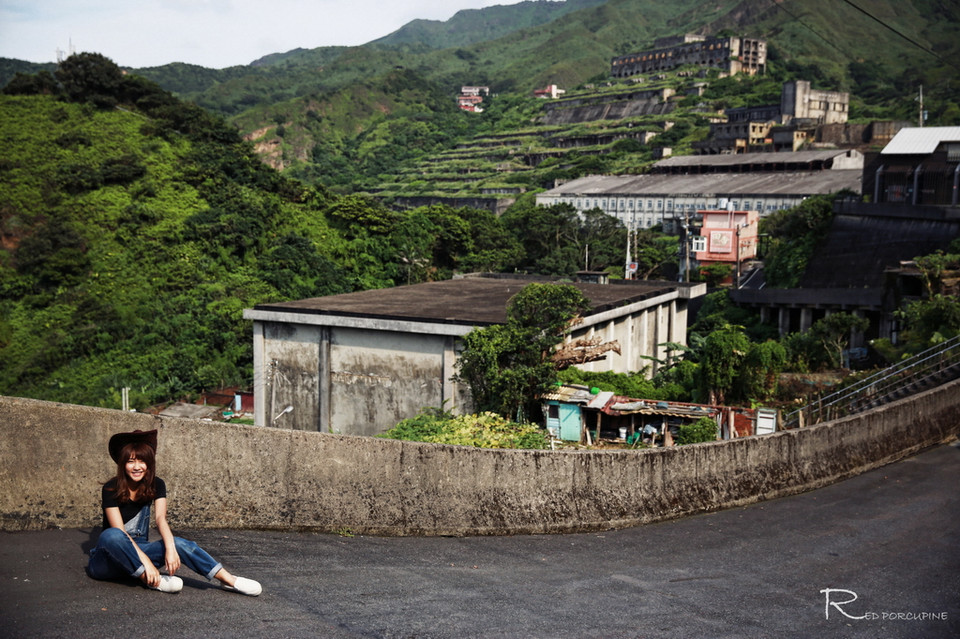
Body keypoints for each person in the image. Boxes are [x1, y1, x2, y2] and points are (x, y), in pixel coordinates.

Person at [87, 429, 262, 596]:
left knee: (178, 543)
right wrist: (147, 563)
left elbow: (161, 519)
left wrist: (171, 549)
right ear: (123, 464)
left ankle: (228, 580)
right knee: (112, 535)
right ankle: (152, 580)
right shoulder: (111, 488)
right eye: (131, 461)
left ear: (149, 464)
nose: (137, 467)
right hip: (108, 562)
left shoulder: (157, 484)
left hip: (140, 550)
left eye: (142, 461)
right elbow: (121, 531)